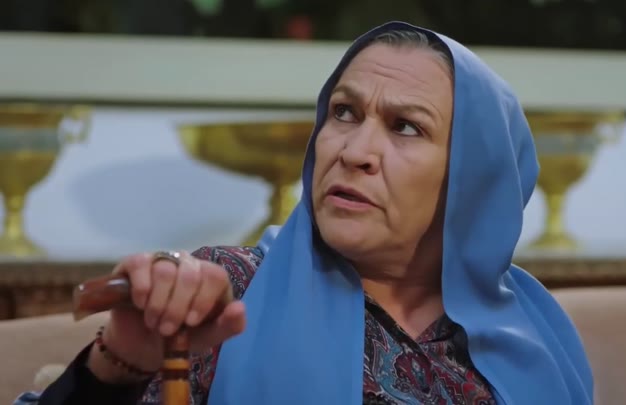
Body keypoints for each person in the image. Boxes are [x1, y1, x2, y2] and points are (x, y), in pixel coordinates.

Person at [17, 21, 593, 405]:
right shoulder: (225, 295)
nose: (354, 151)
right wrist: (119, 365)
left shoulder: (535, 335)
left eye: (405, 127)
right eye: (344, 113)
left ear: (473, 180)